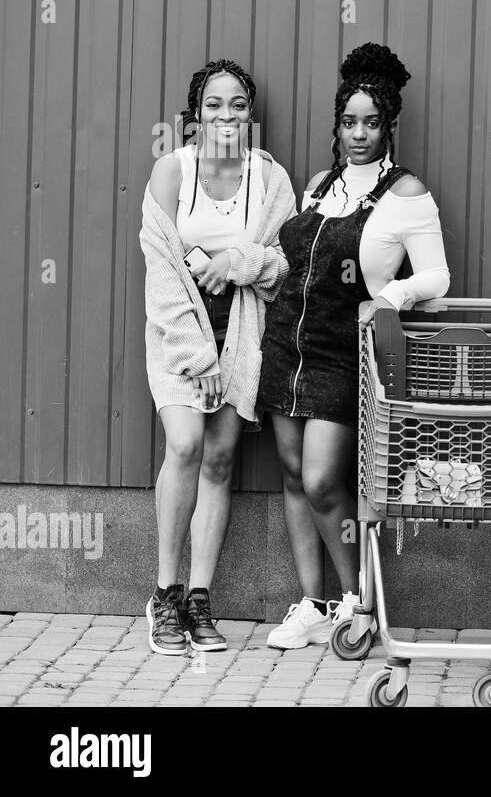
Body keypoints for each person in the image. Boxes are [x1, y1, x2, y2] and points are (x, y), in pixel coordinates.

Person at [258, 43, 451, 649]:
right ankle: (312, 603)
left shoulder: (406, 193)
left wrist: (387, 298)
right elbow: (290, 258)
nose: (359, 134)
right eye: (349, 122)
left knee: (321, 480)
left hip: (344, 352)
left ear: (388, 125)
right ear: (337, 126)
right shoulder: (318, 186)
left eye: (371, 122)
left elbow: (436, 276)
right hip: (287, 343)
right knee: (291, 475)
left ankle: (356, 599)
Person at [140, 59, 296, 655]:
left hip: (242, 332)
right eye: (213, 105)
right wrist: (196, 358)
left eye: (236, 105)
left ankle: (199, 599)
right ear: (194, 115)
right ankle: (165, 594)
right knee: (184, 444)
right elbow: (161, 268)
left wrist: (234, 264)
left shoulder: (270, 179)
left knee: (221, 458)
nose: (225, 115)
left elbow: (281, 263)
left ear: (249, 115)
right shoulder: (171, 172)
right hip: (179, 331)